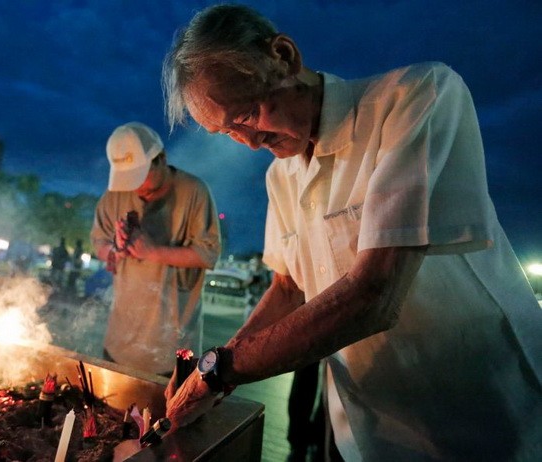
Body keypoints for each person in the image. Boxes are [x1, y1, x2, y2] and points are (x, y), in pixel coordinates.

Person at [161, 4, 542, 461]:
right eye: (226, 133)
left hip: (483, 417)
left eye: (247, 115)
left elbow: (375, 293)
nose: (249, 142)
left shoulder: (414, 98)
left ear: (283, 56)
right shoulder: (280, 178)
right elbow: (288, 287)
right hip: (371, 433)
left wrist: (221, 369)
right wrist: (215, 367)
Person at [90, 122, 221, 375]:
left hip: (172, 348)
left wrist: (152, 252)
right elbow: (99, 243)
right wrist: (115, 249)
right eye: (127, 178)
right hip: (120, 342)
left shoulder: (193, 191)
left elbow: (209, 253)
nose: (135, 187)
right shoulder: (113, 196)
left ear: (161, 158)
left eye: (140, 176)